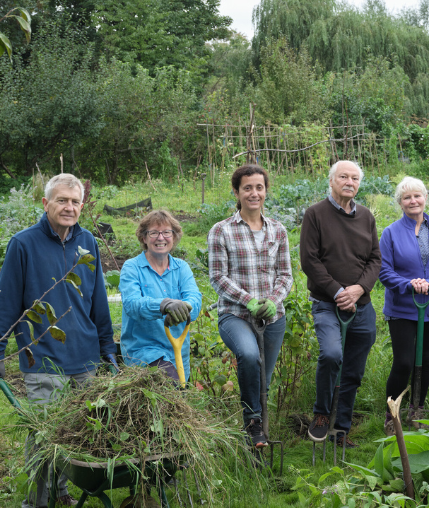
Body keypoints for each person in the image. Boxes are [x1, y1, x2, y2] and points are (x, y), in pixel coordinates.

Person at [0, 173, 116, 508]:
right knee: (44, 437)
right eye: (61, 200)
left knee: (79, 432)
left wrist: (107, 349)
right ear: (45, 203)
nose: (69, 207)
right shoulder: (23, 244)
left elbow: (98, 301)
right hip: (44, 357)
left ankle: (62, 490)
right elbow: (7, 303)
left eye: (75, 201)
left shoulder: (88, 243)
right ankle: (36, 501)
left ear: (82, 205)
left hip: (86, 355)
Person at [208, 164, 293, 448]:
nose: (253, 193)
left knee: (262, 382)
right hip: (236, 315)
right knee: (248, 355)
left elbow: (285, 275)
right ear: (236, 192)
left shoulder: (278, 231)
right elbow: (218, 277)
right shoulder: (221, 231)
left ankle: (257, 442)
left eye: (259, 187)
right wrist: (250, 300)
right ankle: (254, 423)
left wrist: (272, 301)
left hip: (273, 317)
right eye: (247, 188)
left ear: (266, 191)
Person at [301, 160, 381, 448]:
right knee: (333, 354)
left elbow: (375, 259)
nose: (350, 182)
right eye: (344, 177)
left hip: (361, 306)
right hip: (327, 303)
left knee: (354, 371)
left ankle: (342, 428)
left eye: (355, 178)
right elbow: (309, 260)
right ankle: (322, 414)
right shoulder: (315, 215)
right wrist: (337, 291)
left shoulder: (366, 217)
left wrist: (359, 289)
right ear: (332, 181)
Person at [379, 177, 429, 435]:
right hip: (402, 307)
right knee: (403, 361)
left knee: (426, 359)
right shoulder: (390, 233)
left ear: (425, 198)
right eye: (407, 197)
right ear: (400, 203)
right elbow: (384, 270)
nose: (413, 201)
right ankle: (392, 413)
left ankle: (417, 409)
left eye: (417, 196)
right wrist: (409, 284)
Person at [119, 210, 202, 381]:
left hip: (177, 351)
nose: (161, 238)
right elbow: (132, 304)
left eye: (166, 232)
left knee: (180, 398)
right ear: (144, 238)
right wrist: (164, 305)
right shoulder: (132, 268)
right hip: (144, 351)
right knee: (170, 385)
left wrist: (185, 308)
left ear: (174, 237)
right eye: (154, 233)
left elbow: (195, 300)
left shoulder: (182, 268)